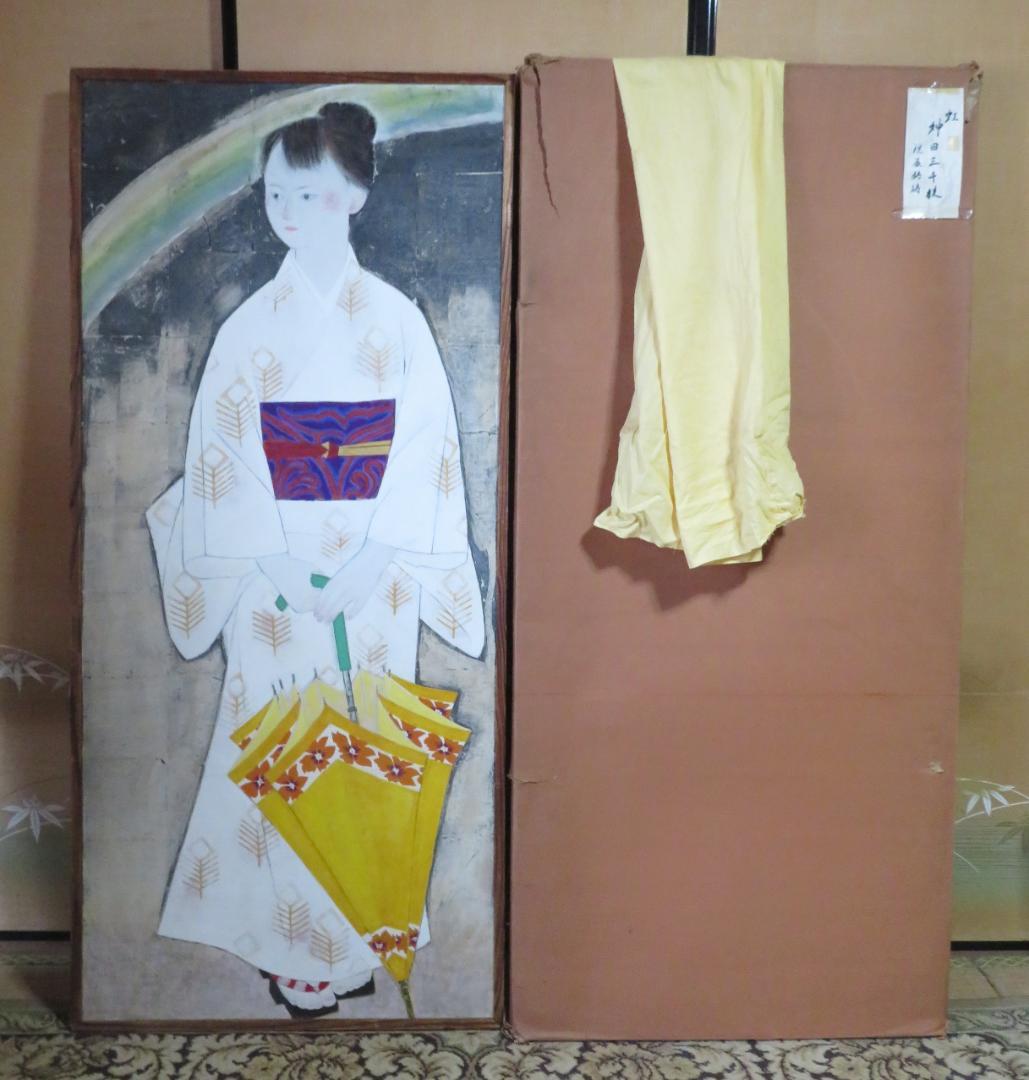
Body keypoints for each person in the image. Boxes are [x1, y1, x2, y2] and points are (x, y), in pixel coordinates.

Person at [145, 102, 485, 1017]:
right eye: (276, 194)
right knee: (284, 741)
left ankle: (358, 930)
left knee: (367, 744)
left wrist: (376, 556)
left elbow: (426, 453)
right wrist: (281, 563)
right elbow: (221, 459)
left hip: (377, 575)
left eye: (311, 193)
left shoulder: (397, 320)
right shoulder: (248, 328)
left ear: (356, 196)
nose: (289, 211)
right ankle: (294, 948)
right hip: (272, 577)